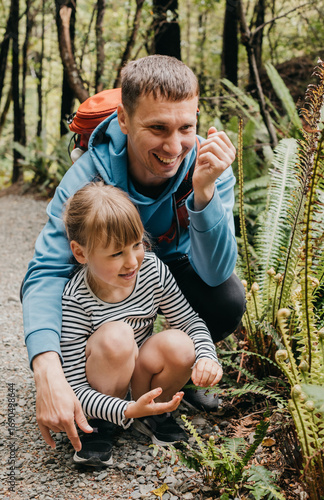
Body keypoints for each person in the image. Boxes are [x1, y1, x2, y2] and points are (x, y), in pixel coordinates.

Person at [22, 54, 245, 458]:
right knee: (112, 336)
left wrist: (204, 193)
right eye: (157, 127)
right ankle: (99, 390)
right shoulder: (86, 177)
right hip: (104, 277)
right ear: (124, 121)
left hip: (173, 263)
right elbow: (47, 273)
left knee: (226, 298)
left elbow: (215, 274)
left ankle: (174, 381)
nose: (174, 146)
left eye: (186, 128)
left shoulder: (209, 164)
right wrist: (46, 368)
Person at [60, 182, 222, 465]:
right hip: (102, 385)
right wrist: (126, 409)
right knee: (117, 337)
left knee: (182, 345)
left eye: (136, 245)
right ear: (81, 253)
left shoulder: (152, 270)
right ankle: (99, 425)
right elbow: (74, 388)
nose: (132, 261)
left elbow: (189, 321)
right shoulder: (76, 298)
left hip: (140, 376)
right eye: (115, 254)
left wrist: (208, 356)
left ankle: (156, 411)